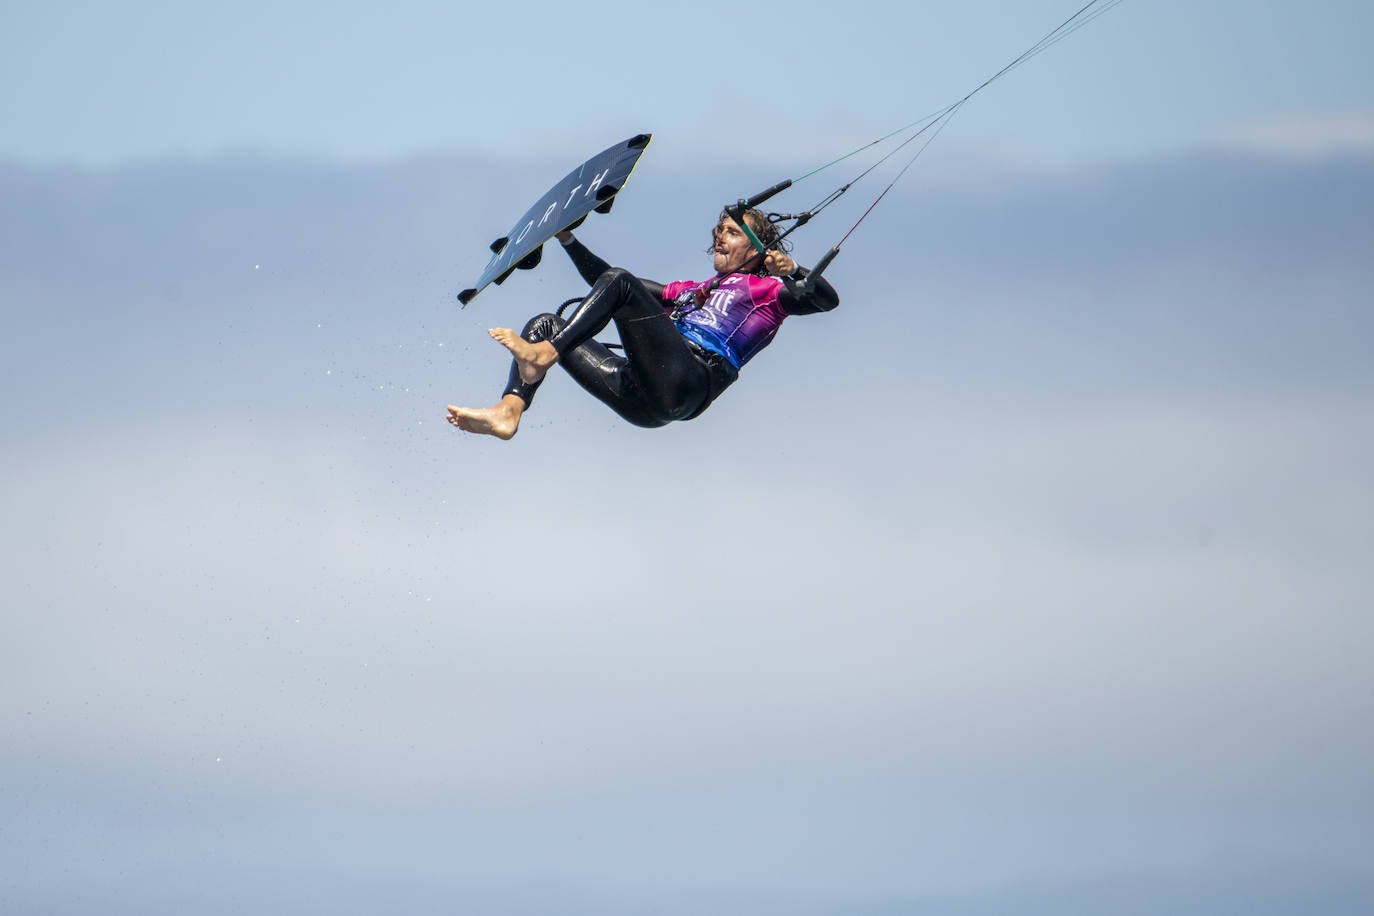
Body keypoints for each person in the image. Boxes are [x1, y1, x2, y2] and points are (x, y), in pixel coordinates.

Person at [445, 207, 839, 439]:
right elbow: (607, 285)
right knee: (549, 322)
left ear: (757, 247)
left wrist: (793, 270)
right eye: (719, 229)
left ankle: (545, 355)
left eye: (733, 232)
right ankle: (509, 410)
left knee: (618, 283)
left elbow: (825, 299)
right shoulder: (693, 290)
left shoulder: (768, 291)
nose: (720, 236)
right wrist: (567, 240)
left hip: (691, 379)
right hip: (642, 399)